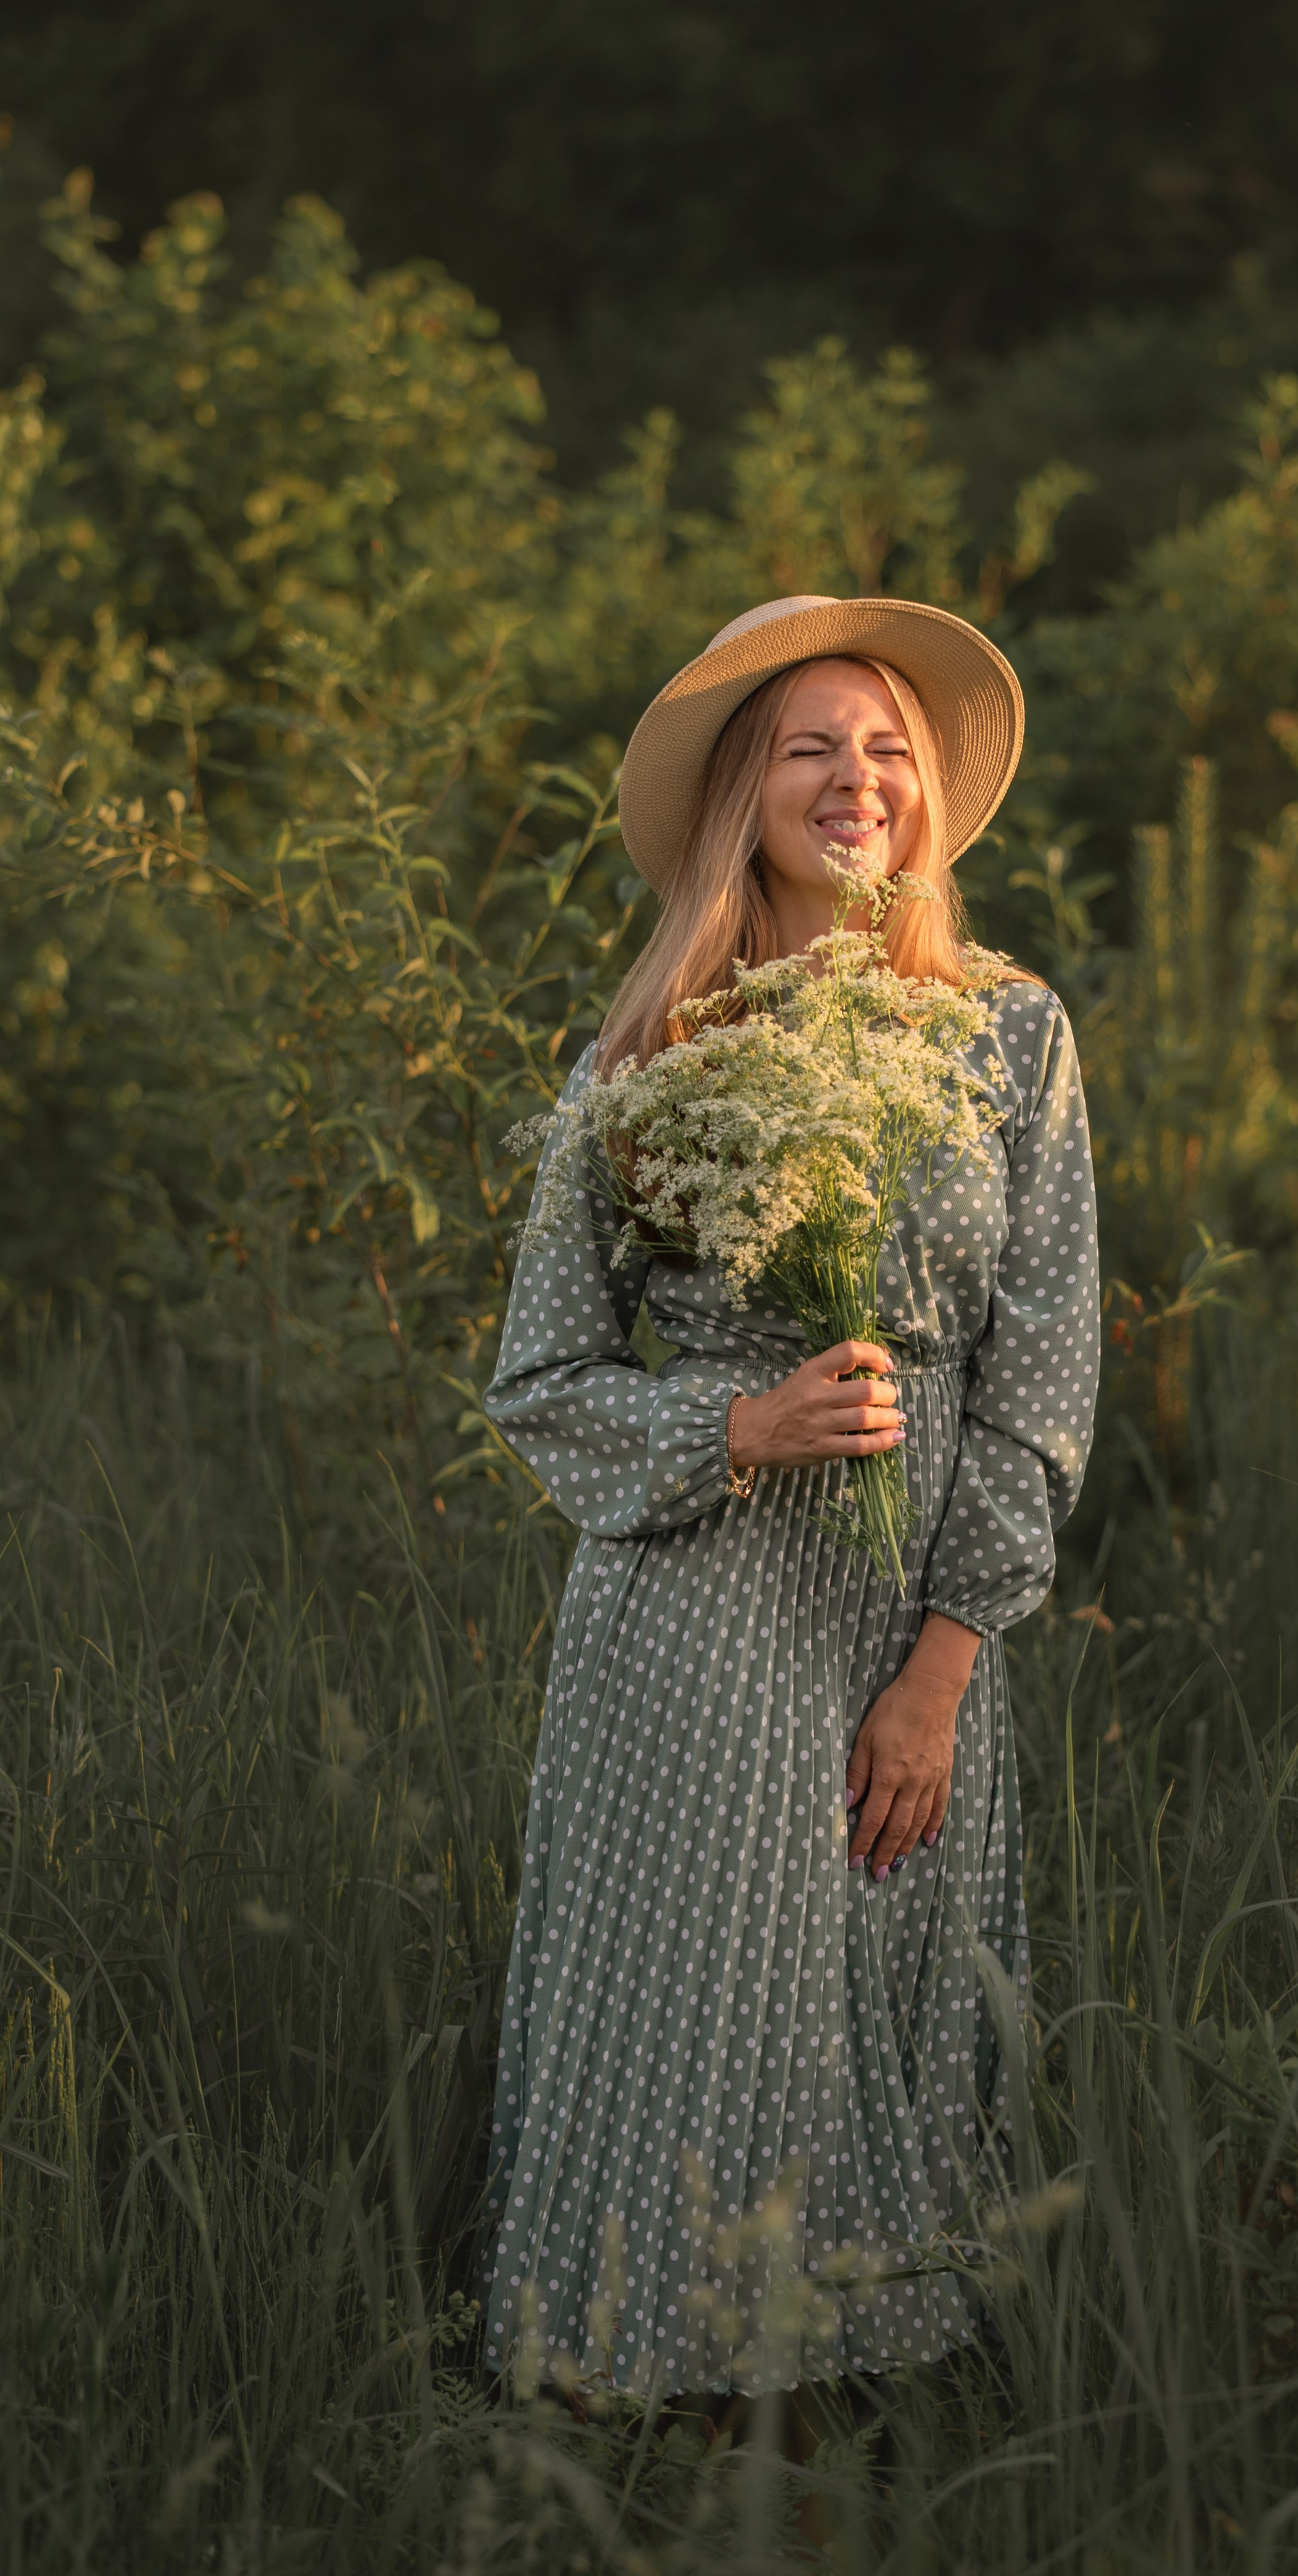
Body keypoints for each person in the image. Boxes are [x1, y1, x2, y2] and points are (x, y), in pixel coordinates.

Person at [479, 593, 1100, 2412]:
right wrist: (734, 1427)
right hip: (692, 1617)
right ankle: (637, 2412)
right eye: (812, 747)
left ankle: (851, 2412)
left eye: (886, 749)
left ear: (924, 801)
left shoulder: (1005, 1035)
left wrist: (946, 1658)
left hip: (912, 1619)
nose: (855, 779)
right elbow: (538, 1385)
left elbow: (1041, 1370)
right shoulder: (649, 1055)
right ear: (748, 791)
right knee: (698, 2010)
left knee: (882, 2008)